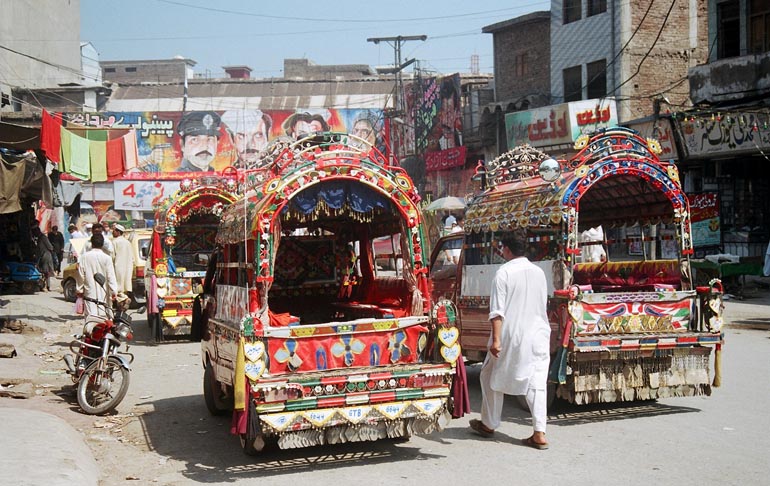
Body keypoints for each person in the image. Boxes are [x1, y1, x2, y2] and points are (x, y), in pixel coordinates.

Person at [469, 229, 551, 450]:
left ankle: (489, 423)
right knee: (537, 384)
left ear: (505, 249)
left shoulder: (503, 273)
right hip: (539, 334)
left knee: (488, 375)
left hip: (511, 335)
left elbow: (497, 312)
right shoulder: (538, 273)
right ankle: (539, 432)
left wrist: (496, 340)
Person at [77, 233, 118, 320]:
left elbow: (81, 275)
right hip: (104, 292)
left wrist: (79, 290)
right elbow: (111, 276)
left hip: (89, 292)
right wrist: (114, 291)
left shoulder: (84, 257)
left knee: (91, 317)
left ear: (91, 244)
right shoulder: (107, 258)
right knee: (105, 316)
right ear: (102, 244)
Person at [111, 224, 135, 297]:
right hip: (128, 269)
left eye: (114, 231)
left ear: (118, 232)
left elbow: (112, 257)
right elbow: (132, 258)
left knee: (118, 288)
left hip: (118, 268)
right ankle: (124, 300)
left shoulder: (114, 242)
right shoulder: (127, 243)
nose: (112, 232)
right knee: (125, 287)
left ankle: (121, 302)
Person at [32, 227, 55, 291]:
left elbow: (50, 247)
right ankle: (45, 286)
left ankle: (47, 286)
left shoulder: (43, 237)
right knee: (44, 271)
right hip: (42, 256)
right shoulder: (39, 238)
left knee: (46, 271)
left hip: (46, 256)